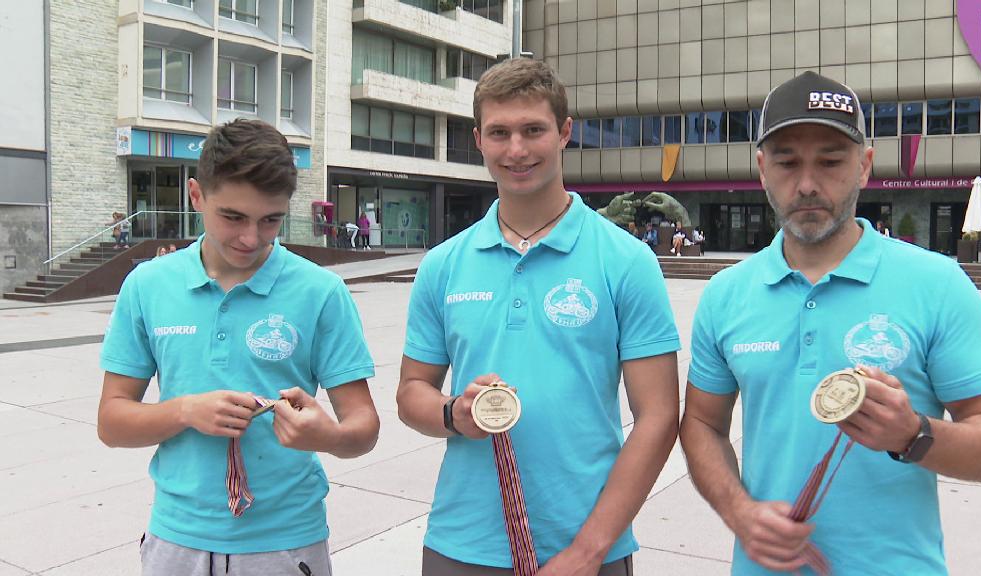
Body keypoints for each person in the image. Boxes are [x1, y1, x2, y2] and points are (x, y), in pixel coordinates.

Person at [679, 71, 981, 576]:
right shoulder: (726, 294)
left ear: (865, 166)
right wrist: (739, 511)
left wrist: (913, 435)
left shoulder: (936, 283)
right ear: (761, 169)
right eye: (787, 161)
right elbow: (703, 424)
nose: (807, 184)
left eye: (831, 160)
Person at [396, 58, 680, 576]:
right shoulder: (443, 265)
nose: (517, 149)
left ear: (565, 132)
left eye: (533, 130)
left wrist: (590, 549)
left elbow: (659, 416)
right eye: (500, 133)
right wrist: (452, 413)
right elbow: (412, 392)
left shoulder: (626, 261)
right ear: (478, 139)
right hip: (462, 544)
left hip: (588, 547)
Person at [97, 119, 381, 576]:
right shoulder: (148, 286)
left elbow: (364, 427)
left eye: (270, 220)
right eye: (232, 217)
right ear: (196, 196)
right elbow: (111, 422)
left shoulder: (320, 291)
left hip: (285, 542)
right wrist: (185, 411)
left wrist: (328, 435)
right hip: (176, 539)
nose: (251, 238)